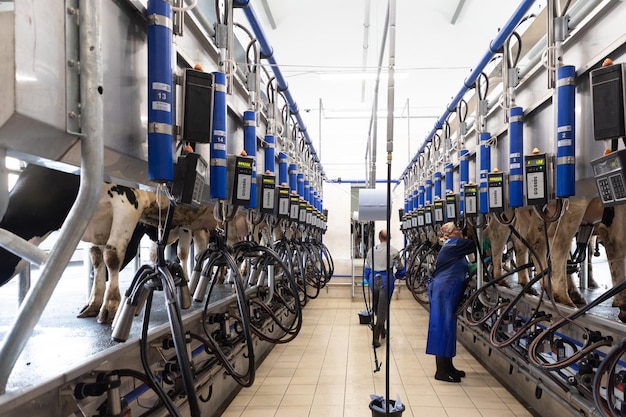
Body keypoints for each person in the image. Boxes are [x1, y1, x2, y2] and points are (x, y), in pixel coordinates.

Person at [426, 221, 476, 383]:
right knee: (442, 328)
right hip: (443, 292)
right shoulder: (454, 244)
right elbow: (475, 244)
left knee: (448, 329)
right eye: (457, 230)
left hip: (447, 291)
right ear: (450, 233)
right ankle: (441, 371)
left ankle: (449, 366)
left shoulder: (452, 245)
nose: (460, 231)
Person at [364, 229, 405, 348]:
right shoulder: (394, 251)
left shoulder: (372, 250)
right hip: (386, 280)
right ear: (390, 238)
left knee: (377, 305)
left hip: (373, 279)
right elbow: (400, 269)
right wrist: (398, 276)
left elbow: (367, 268)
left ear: (379, 237)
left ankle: (382, 330)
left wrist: (368, 279)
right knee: (383, 307)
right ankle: (375, 338)